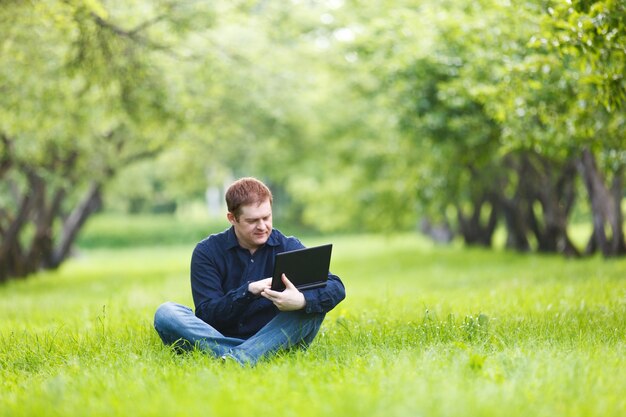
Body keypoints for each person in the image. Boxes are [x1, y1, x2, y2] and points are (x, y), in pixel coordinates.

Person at [154, 177, 346, 366]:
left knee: (311, 307)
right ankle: (250, 355)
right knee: (166, 313)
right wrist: (248, 291)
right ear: (232, 218)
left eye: (267, 217)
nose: (262, 226)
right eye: (253, 221)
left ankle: (235, 358)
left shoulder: (288, 245)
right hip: (223, 334)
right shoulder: (207, 252)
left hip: (277, 333)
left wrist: (300, 301)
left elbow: (336, 286)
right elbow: (207, 315)